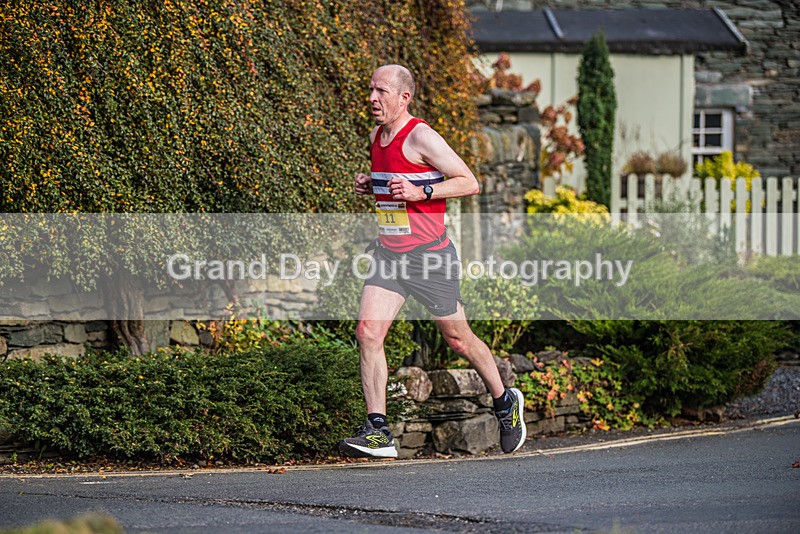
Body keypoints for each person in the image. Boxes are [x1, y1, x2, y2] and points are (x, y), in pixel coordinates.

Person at [338, 64, 525, 459]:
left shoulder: (420, 135)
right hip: (390, 253)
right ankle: (378, 431)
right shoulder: (376, 135)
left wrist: (421, 193)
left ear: (404, 98)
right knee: (368, 332)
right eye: (370, 90)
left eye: (381, 91)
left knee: (458, 339)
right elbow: (396, 186)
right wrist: (369, 184)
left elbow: (468, 181)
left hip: (429, 257)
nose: (372, 98)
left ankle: (504, 399)